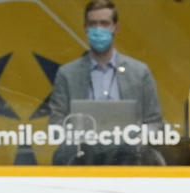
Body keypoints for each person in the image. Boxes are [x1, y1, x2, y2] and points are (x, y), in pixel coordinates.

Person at [48, 1, 163, 165]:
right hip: (83, 152)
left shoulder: (139, 72)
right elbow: (56, 123)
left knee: (143, 156)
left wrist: (140, 138)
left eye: (104, 23)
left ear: (115, 28)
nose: (98, 29)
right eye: (93, 24)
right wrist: (73, 136)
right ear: (85, 28)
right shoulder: (67, 74)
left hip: (129, 152)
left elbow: (155, 122)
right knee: (62, 155)